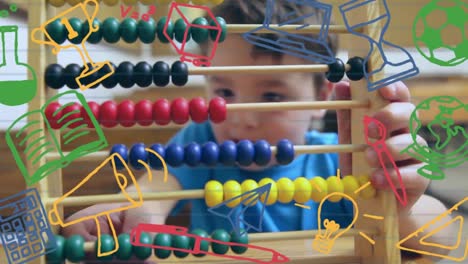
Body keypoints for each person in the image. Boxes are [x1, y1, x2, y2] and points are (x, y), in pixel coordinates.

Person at [62, 0, 454, 262]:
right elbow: (157, 186)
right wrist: (132, 209)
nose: (241, 116)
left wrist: (397, 209)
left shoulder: (341, 163)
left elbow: (448, 237)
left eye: (270, 95)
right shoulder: (202, 141)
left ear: (322, 96)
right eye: (224, 90)